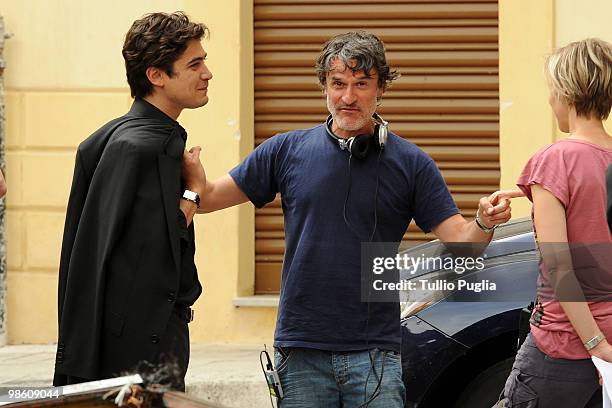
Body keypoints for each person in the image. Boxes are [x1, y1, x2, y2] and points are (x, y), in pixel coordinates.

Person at [182, 31, 520, 407]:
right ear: (323, 86)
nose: (348, 97)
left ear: (381, 90)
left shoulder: (411, 163)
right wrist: (188, 176)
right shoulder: (284, 150)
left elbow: (461, 239)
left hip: (375, 353)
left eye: (361, 84)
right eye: (338, 84)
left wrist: (485, 221)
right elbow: (210, 197)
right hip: (302, 347)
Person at [53, 11, 212, 390]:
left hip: (119, 345)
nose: (207, 73)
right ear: (156, 75)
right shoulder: (144, 146)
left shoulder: (113, 136)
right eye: (194, 64)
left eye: (204, 61)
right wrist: (193, 192)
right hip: (144, 350)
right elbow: (154, 249)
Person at [499, 38, 612, 407]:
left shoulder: (555, 159)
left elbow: (560, 265)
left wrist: (595, 344)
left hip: (563, 346)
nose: (550, 101)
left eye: (551, 91)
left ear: (566, 92)